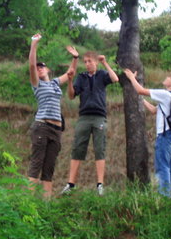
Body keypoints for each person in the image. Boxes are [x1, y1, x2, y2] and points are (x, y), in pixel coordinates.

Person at [61, 51, 119, 196]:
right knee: (77, 149)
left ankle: (100, 185)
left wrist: (105, 62)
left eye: (90, 61)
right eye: (85, 62)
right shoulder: (81, 77)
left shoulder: (102, 75)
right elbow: (71, 95)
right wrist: (69, 81)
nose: (87, 64)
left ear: (96, 62)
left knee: (100, 149)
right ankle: (70, 184)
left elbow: (115, 79)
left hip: (99, 117)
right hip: (84, 118)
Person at [28, 33, 78, 198]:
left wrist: (75, 58)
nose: (39, 68)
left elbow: (70, 73)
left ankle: (46, 205)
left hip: (56, 130)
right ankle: (28, 203)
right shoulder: (37, 84)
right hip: (42, 127)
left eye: (42, 66)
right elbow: (30, 66)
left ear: (48, 69)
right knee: (36, 164)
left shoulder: (55, 83)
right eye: (37, 67)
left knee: (49, 168)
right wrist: (34, 44)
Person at [123, 68, 171, 197]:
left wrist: (131, 78)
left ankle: (164, 197)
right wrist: (138, 95)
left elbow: (141, 90)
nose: (167, 77)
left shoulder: (165, 94)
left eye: (170, 77)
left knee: (162, 168)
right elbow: (153, 110)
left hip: (165, 136)